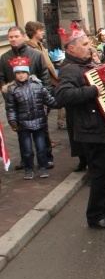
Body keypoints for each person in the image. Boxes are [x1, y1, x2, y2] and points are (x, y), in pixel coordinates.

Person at [55, 25, 105, 229]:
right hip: (89, 130)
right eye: (85, 44)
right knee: (99, 173)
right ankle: (95, 215)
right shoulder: (70, 69)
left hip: (97, 127)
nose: (91, 47)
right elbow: (62, 96)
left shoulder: (85, 65)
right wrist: (93, 90)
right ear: (71, 49)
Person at [0, 25, 54, 171]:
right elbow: (1, 78)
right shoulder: (4, 58)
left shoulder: (36, 55)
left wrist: (46, 98)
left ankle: (47, 158)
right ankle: (26, 160)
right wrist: (6, 92)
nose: (13, 39)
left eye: (16, 36)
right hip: (18, 103)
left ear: (23, 36)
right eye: (11, 37)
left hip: (37, 101)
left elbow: (45, 76)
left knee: (43, 130)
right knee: (21, 133)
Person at [5, 57, 59, 180]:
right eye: (18, 73)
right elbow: (10, 108)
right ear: (15, 75)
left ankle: (43, 167)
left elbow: (49, 100)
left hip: (39, 122)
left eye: (23, 72)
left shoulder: (37, 86)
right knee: (27, 149)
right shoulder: (12, 90)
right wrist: (12, 121)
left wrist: (61, 102)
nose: (21, 75)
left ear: (28, 73)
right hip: (23, 125)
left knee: (41, 148)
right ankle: (28, 169)